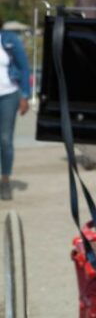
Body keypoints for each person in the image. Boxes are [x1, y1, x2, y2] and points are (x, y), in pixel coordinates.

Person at [0, 18, 31, 201]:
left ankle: (5, 181)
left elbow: (24, 68)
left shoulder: (9, 39)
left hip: (8, 95)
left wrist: (25, 95)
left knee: (5, 139)